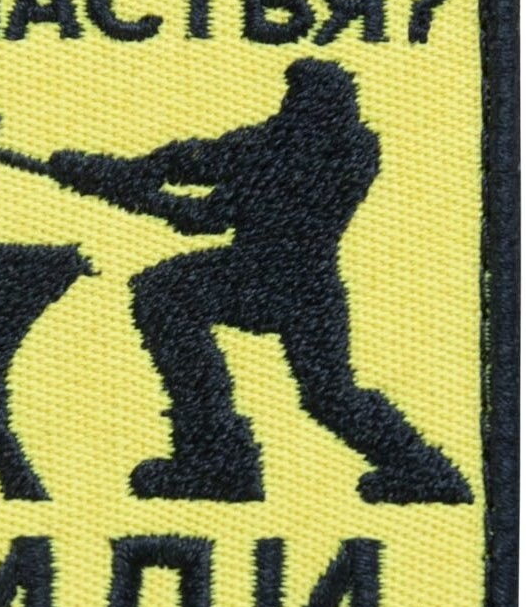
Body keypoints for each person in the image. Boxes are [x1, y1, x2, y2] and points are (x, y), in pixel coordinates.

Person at [44, 58, 471, 504]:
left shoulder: (302, 156)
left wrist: (128, 190)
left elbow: (206, 216)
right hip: (312, 287)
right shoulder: (340, 146)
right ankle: (420, 470)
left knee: (164, 296)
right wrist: (125, 172)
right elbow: (202, 158)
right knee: (329, 393)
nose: (286, 107)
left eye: (295, 100)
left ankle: (216, 461)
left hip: (265, 277)